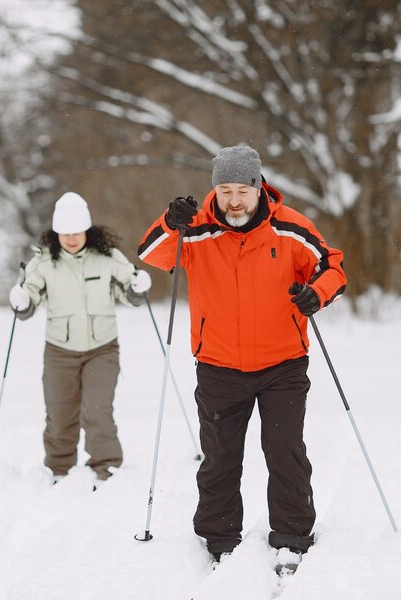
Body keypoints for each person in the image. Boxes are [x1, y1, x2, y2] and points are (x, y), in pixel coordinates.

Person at [137, 145, 346, 565]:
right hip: (218, 365)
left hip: (283, 363)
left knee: (284, 451)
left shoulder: (290, 227)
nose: (233, 200)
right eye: (225, 189)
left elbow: (332, 269)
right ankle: (219, 540)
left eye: (241, 190)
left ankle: (291, 536)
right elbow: (150, 254)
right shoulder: (193, 229)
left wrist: (314, 294)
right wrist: (169, 222)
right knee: (220, 458)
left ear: (257, 187)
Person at [9, 192, 153, 484]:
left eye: (77, 232)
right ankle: (58, 470)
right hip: (59, 351)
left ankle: (106, 469)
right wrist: (22, 301)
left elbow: (130, 288)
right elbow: (29, 299)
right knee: (60, 415)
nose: (72, 239)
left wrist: (138, 286)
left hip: (102, 348)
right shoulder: (44, 262)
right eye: (65, 233)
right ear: (56, 233)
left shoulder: (107, 257)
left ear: (87, 230)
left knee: (97, 410)